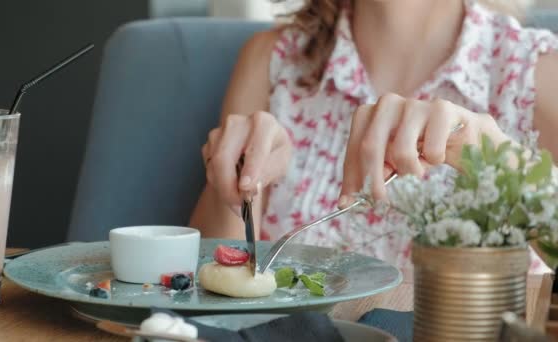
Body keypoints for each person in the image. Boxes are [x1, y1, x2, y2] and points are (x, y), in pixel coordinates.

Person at [189, 0, 558, 271]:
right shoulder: (274, 61)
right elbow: (211, 302)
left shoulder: (536, 72)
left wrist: (496, 157)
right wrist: (235, 182)